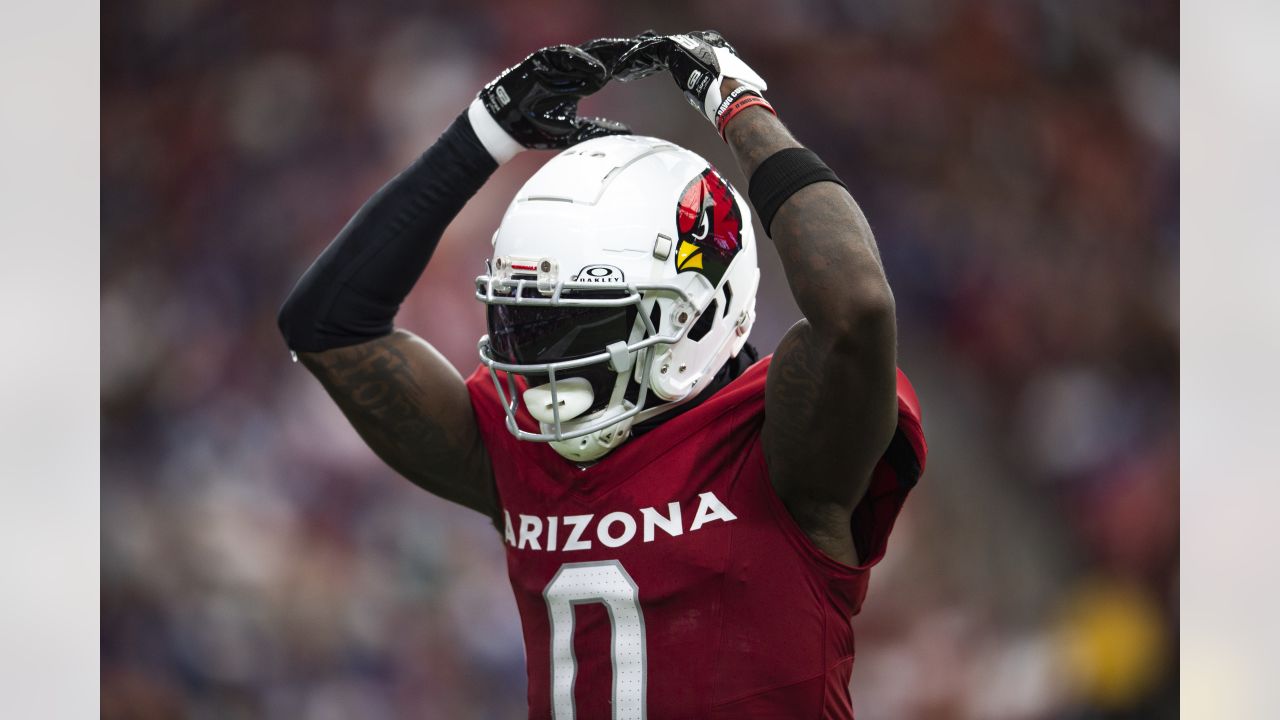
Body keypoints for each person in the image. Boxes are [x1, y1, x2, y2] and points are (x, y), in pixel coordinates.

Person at [278, 30, 927, 719]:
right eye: (524, 322)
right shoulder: (520, 443)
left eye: (580, 324)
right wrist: (486, 133)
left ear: (701, 313)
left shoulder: (777, 443)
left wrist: (736, 102)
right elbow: (326, 328)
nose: (543, 358)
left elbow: (856, 308)